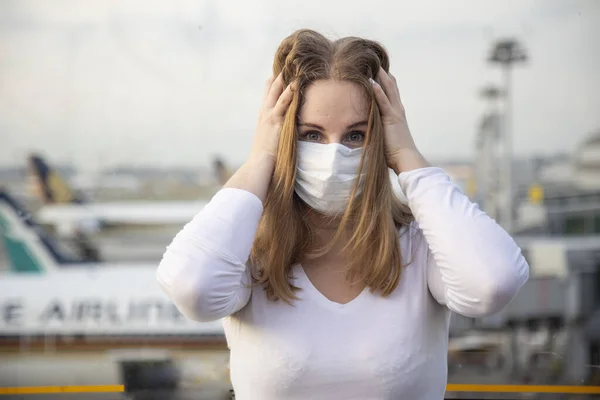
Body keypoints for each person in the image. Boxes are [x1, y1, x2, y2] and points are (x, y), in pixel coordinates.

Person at [156, 29, 529, 400]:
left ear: (379, 140)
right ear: (286, 138)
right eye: (312, 135)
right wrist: (262, 158)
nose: (334, 156)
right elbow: (194, 290)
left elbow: (492, 283)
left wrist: (407, 155)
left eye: (355, 136)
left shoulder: (421, 246)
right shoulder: (247, 252)